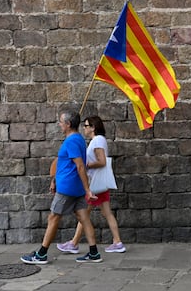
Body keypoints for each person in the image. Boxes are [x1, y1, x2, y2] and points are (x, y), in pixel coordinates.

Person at [21, 111, 102, 264]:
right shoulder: (78, 138)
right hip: (73, 185)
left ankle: (41, 254)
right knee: (83, 218)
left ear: (68, 124)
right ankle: (94, 253)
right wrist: (54, 181)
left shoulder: (71, 142)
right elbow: (64, 164)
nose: (59, 124)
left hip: (68, 187)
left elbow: (79, 166)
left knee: (53, 217)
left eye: (60, 122)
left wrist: (87, 189)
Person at [57, 116, 126, 254]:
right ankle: (117, 242)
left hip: (94, 184)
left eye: (87, 125)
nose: (84, 128)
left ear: (93, 127)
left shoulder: (98, 140)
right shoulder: (97, 140)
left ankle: (74, 243)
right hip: (99, 183)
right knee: (105, 213)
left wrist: (87, 165)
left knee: (83, 213)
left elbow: (102, 161)